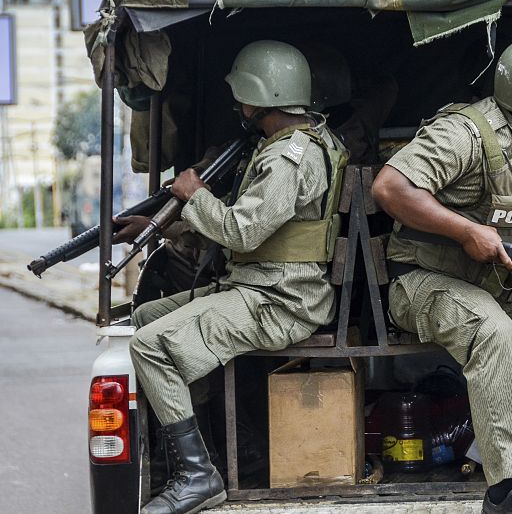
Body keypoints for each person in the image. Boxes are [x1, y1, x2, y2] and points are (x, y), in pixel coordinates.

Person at [119, 40, 347, 514]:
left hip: (281, 301)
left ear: (260, 95)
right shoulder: (296, 142)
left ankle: (198, 475)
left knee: (148, 346)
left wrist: (194, 192)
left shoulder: (288, 158)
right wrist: (162, 226)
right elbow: (248, 224)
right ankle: (213, 451)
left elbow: (243, 231)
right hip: (260, 287)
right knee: (147, 316)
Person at [372, 35, 512, 514]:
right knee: (492, 331)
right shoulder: (464, 134)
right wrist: (465, 230)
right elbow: (390, 188)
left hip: (503, 282)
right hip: (423, 282)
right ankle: (506, 490)